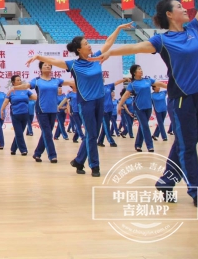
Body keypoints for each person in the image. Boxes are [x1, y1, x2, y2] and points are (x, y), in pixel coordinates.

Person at [92, 0, 198, 208]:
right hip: (182, 99)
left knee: (187, 141)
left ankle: (165, 181)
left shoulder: (194, 29)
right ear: (169, 14)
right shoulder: (163, 41)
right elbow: (136, 48)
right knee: (187, 146)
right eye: (179, 6)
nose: (185, 8)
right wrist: (108, 52)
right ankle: (197, 191)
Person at [27, 22, 132, 176]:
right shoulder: (73, 65)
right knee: (92, 134)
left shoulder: (96, 57)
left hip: (100, 100)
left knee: (93, 133)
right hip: (86, 103)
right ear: (78, 49)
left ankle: (78, 160)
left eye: (88, 43)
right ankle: (95, 166)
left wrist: (118, 28)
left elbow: (108, 42)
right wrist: (37, 56)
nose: (89, 46)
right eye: (86, 44)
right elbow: (54, 61)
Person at [12, 61, 71, 163]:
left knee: (46, 133)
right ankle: (52, 155)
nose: (48, 66)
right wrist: (14, 88)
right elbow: (26, 86)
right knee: (48, 133)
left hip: (53, 110)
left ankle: (37, 153)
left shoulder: (56, 80)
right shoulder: (37, 81)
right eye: (45, 65)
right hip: (41, 110)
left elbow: (70, 82)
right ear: (41, 69)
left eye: (49, 65)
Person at [117, 65, 167, 153]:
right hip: (139, 108)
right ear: (134, 73)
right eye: (139, 69)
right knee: (145, 126)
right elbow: (125, 95)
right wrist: (119, 105)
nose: (141, 71)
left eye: (141, 69)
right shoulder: (132, 84)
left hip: (148, 107)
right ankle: (150, 146)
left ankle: (138, 145)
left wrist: (168, 87)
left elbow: (158, 83)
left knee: (143, 126)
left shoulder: (147, 80)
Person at [2, 75, 36, 156]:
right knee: (19, 133)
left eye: (20, 80)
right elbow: (6, 102)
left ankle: (13, 149)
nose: (20, 81)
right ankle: (23, 150)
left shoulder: (26, 91)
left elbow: (35, 97)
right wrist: (1, 110)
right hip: (15, 115)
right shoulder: (11, 92)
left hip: (25, 114)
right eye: (17, 80)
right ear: (13, 82)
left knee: (19, 133)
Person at [97, 77, 129, 147]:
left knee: (105, 126)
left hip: (110, 109)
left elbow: (117, 82)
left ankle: (100, 141)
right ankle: (111, 141)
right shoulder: (96, 89)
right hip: (103, 110)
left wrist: (125, 79)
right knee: (106, 126)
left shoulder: (108, 86)